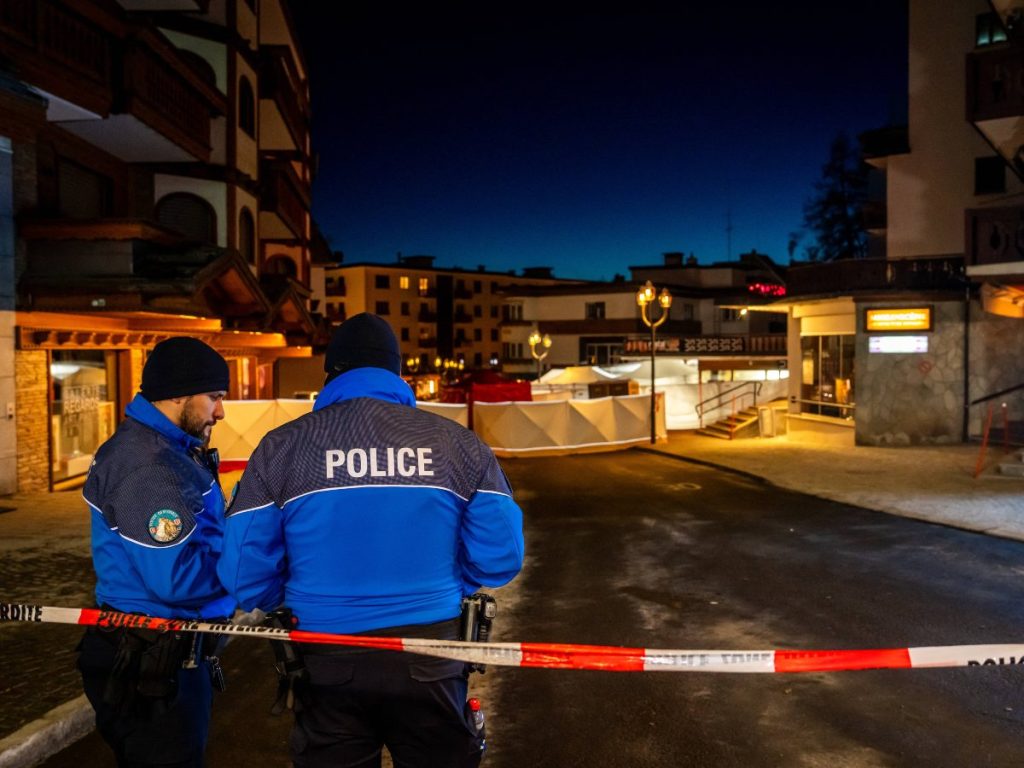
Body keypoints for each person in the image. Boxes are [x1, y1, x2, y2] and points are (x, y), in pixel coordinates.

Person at [218, 313, 525, 768]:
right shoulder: (458, 445)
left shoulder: (282, 447)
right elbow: (502, 556)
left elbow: (243, 570)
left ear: (332, 374)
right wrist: (446, 586)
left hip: (324, 655)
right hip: (433, 653)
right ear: (396, 373)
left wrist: (299, 597)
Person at [77, 336, 236, 768]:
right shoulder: (148, 466)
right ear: (178, 393)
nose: (220, 411)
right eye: (214, 396)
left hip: (159, 653)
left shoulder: (165, 450)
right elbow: (177, 579)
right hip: (155, 661)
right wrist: (249, 566)